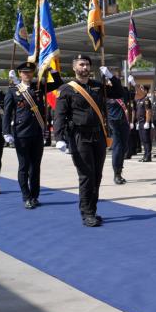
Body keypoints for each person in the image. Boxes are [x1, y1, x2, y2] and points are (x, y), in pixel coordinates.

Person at [53, 55, 123, 227]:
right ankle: (87, 213)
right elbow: (60, 115)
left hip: (98, 136)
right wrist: (59, 138)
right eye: (81, 64)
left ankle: (93, 209)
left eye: (87, 65)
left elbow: (119, 93)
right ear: (74, 67)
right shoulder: (66, 89)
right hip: (79, 137)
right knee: (86, 175)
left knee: (97, 175)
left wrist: (111, 77)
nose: (85, 67)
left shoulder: (98, 87)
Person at [3, 62, 63, 208]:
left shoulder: (39, 86)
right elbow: (7, 113)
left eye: (30, 72)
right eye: (24, 72)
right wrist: (6, 132)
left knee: (35, 167)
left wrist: (51, 70)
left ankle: (35, 196)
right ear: (19, 74)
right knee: (24, 166)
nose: (27, 74)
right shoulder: (13, 91)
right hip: (21, 133)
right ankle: (26, 196)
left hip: (37, 132)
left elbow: (58, 83)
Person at [105, 68, 131, 184]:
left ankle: (119, 170)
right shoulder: (105, 92)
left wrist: (134, 84)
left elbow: (140, 96)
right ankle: (117, 174)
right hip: (113, 122)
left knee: (124, 147)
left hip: (124, 122)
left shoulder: (124, 91)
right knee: (118, 146)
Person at [134, 84, 153, 162]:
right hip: (140, 122)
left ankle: (148, 156)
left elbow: (148, 111)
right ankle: (145, 155)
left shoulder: (146, 100)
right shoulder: (139, 100)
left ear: (145, 91)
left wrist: (147, 122)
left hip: (145, 122)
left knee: (146, 139)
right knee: (142, 140)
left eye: (141, 89)